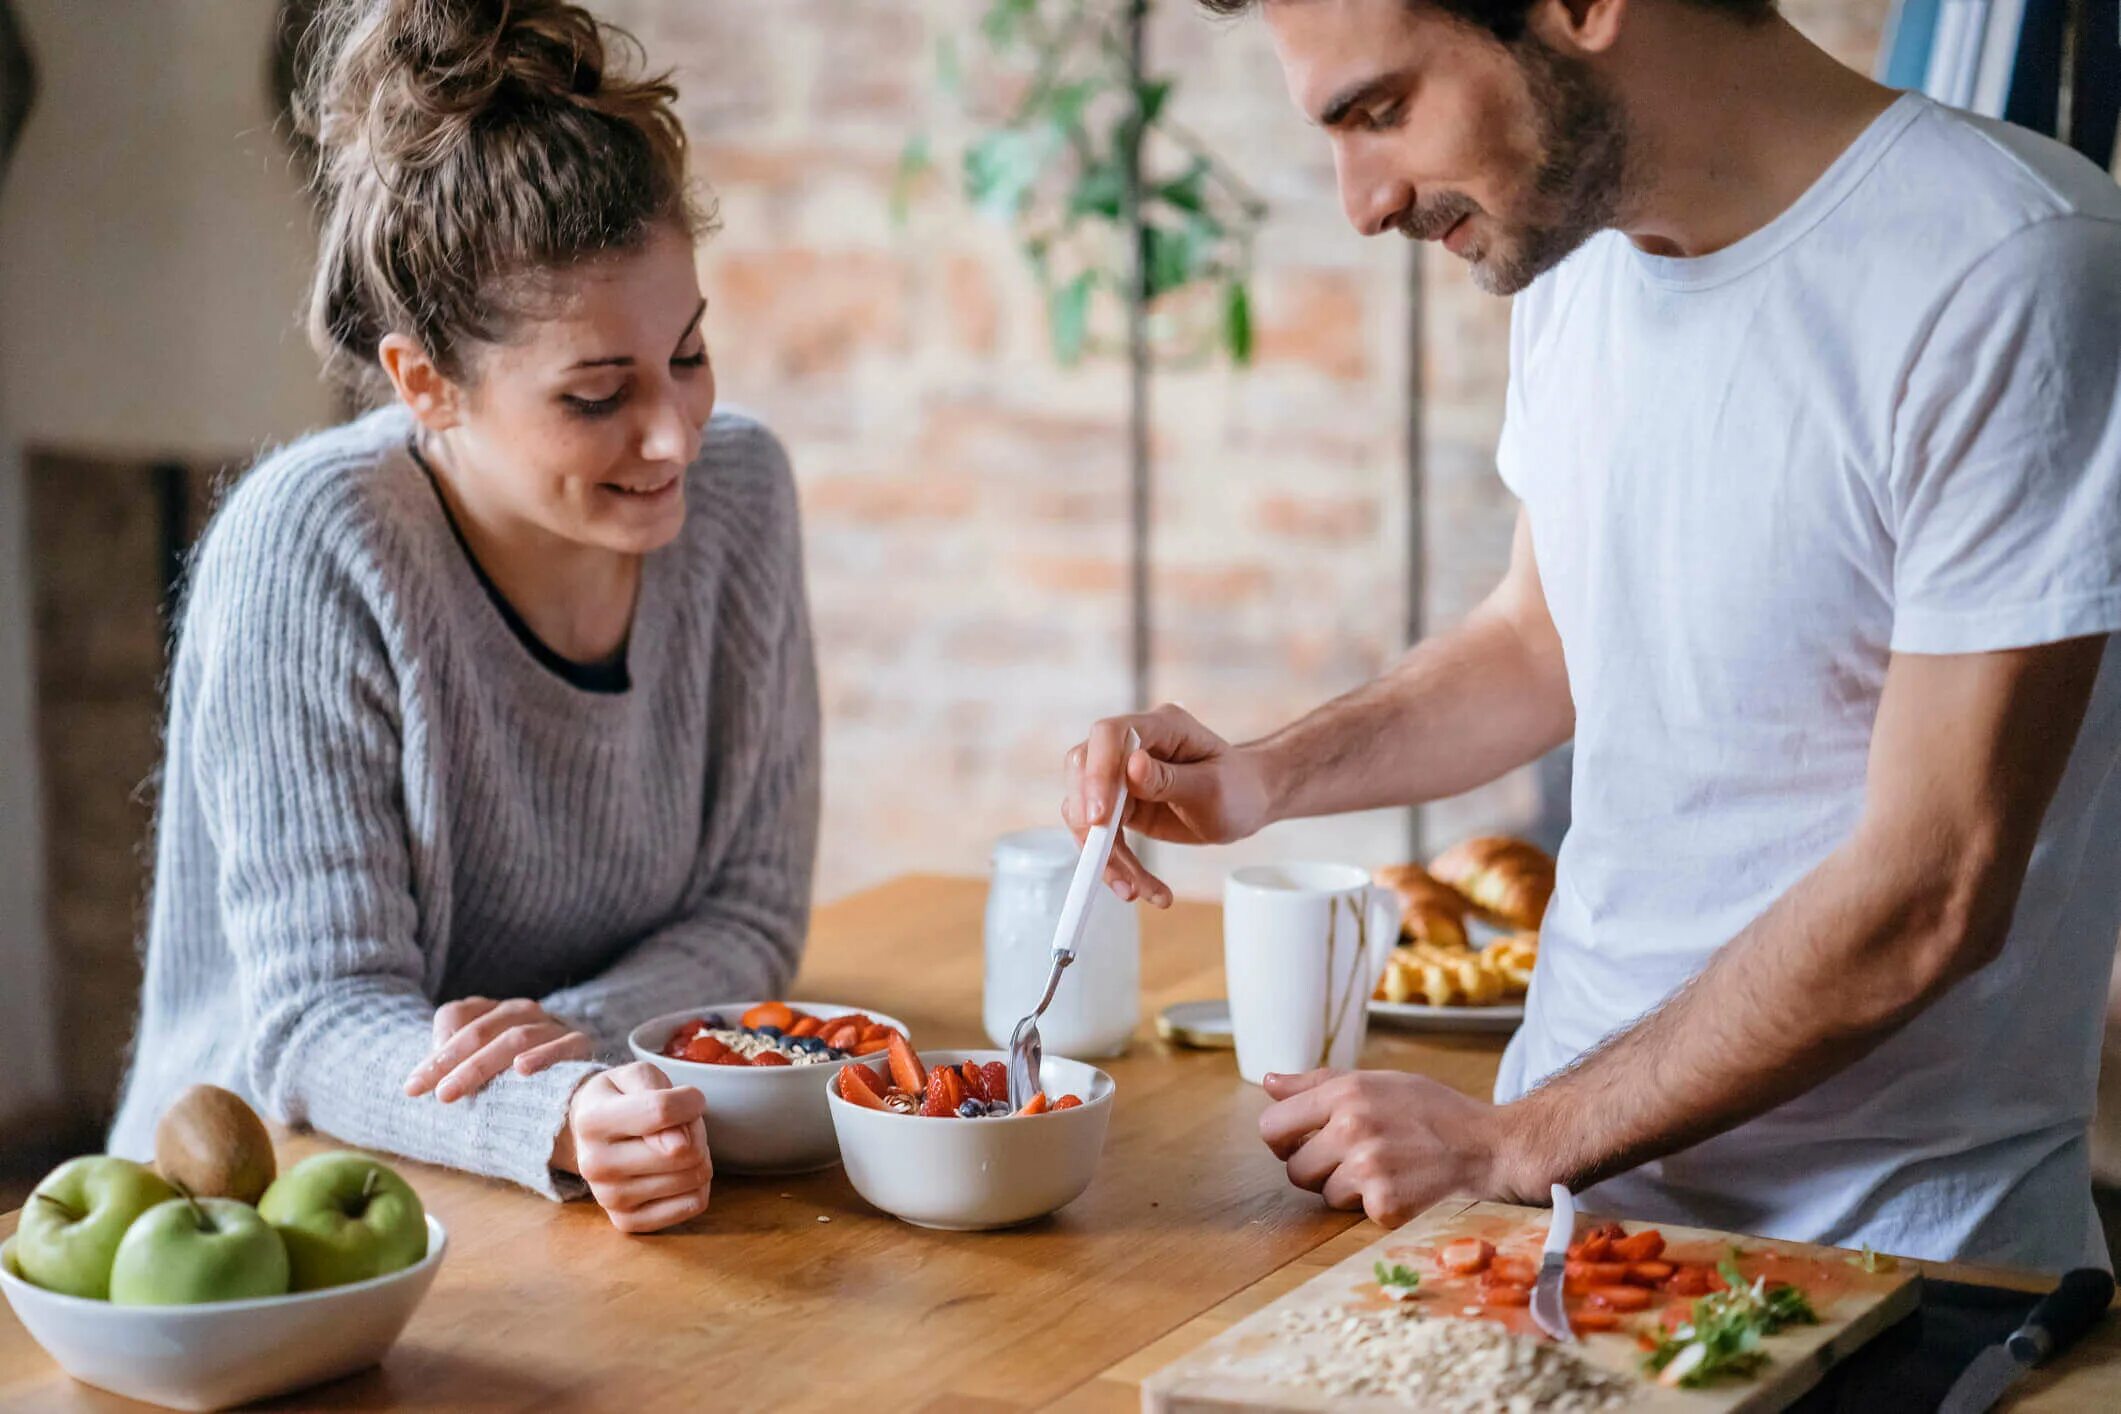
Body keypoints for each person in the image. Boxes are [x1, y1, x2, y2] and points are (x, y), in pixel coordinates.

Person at [1067, 0, 2121, 1271]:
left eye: (1381, 110)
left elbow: (1933, 891)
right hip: (1565, 1228)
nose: (1360, 199)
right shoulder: (1578, 263)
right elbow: (1542, 638)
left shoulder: (2014, 269)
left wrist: (1515, 1139)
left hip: (1893, 1274)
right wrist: (1265, 774)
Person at [109, 0, 820, 1235]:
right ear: (424, 384)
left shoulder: (741, 494)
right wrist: (556, 1105)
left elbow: (751, 909)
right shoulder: (312, 546)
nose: (675, 436)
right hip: (257, 1224)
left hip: (552, 1195)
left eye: (688, 355)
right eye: (597, 395)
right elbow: (321, 1021)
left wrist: (589, 1045)